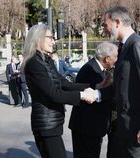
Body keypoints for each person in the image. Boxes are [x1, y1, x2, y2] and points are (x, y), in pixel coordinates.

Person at [23, 23, 98, 158]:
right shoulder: (34, 63)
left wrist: (93, 86)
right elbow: (54, 94)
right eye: (50, 38)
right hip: (46, 125)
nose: (53, 42)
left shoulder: (46, 60)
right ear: (38, 38)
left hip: (53, 124)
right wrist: (82, 95)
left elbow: (64, 83)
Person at [100, 6, 140, 157]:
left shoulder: (136, 44)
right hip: (125, 127)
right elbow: (122, 86)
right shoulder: (124, 47)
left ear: (117, 22)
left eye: (105, 24)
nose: (105, 28)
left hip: (135, 127)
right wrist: (97, 93)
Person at [69, 42, 118, 158]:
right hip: (86, 128)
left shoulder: (99, 69)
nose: (117, 60)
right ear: (106, 58)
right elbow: (88, 97)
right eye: (115, 57)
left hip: (92, 128)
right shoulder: (90, 70)